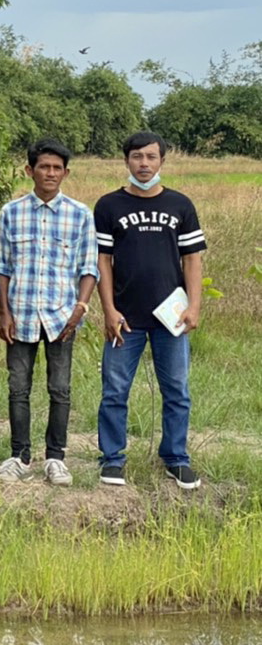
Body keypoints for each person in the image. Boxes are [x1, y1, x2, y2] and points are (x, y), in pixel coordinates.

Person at [94, 131, 207, 489]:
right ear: (126, 160)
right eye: (137, 157)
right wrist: (109, 310)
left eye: (151, 157)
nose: (144, 164)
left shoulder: (180, 205)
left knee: (177, 389)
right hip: (125, 319)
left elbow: (192, 259)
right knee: (114, 390)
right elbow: (103, 261)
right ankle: (112, 459)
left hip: (170, 317)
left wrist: (193, 306)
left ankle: (175, 458)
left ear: (162, 161)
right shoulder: (109, 206)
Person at [0, 138, 98, 487]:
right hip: (20, 313)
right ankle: (19, 456)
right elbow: (3, 267)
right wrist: (3, 312)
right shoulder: (12, 212)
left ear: (65, 173)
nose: (50, 173)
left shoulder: (80, 214)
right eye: (43, 167)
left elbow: (89, 267)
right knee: (18, 388)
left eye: (57, 168)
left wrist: (79, 308)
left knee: (60, 389)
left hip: (61, 316)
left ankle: (56, 458)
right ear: (30, 170)